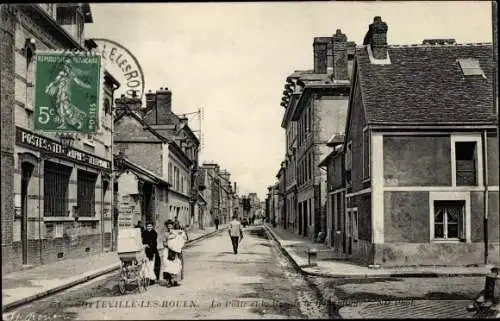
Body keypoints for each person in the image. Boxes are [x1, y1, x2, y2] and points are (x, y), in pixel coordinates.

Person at [162, 219, 185, 287]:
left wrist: (177, 245)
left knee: (176, 265)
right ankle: (169, 281)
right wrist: (169, 245)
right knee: (168, 266)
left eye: (171, 225)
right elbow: (164, 243)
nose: (169, 227)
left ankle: (175, 280)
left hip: (175, 252)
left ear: (173, 225)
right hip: (168, 251)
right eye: (168, 226)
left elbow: (181, 239)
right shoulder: (166, 233)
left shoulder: (177, 232)